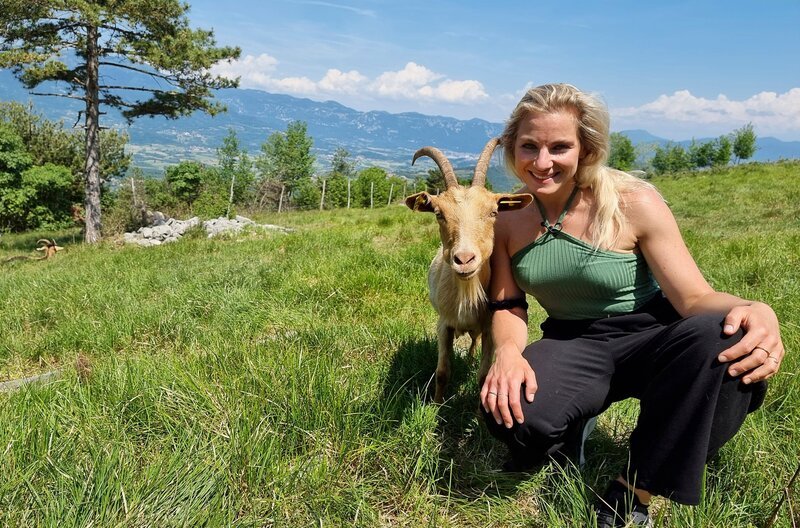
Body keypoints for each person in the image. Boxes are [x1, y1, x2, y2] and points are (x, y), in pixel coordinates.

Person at [479, 83, 784, 527]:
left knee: (729, 339)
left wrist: (757, 307)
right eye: (530, 146)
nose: (542, 162)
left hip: (656, 333)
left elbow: (694, 298)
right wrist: (508, 353)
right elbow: (508, 303)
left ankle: (633, 490)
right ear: (513, 147)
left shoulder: (633, 202)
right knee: (510, 414)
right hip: (572, 339)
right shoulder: (505, 218)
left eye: (559, 147)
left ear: (586, 149)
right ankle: (570, 429)